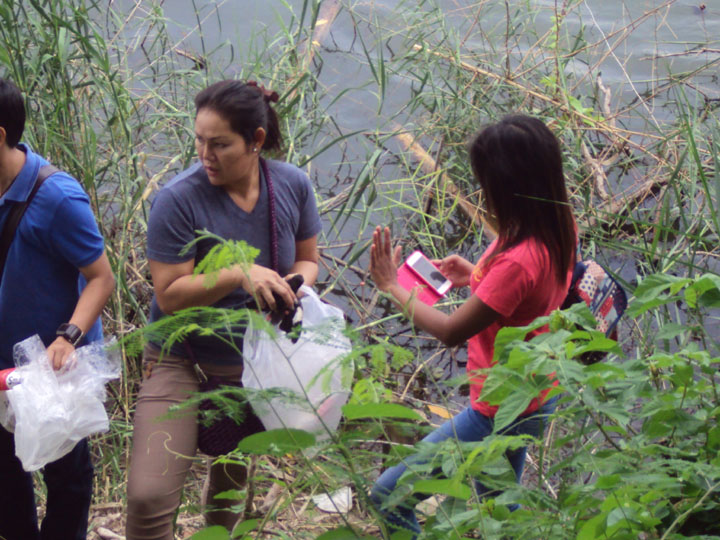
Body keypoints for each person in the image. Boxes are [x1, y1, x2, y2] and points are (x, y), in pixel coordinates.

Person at [125, 79, 322, 539]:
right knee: (148, 494)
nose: (205, 155)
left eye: (219, 144)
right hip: (182, 358)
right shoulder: (179, 199)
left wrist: (293, 285)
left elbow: (309, 261)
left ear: (255, 140)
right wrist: (238, 274)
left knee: (230, 489)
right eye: (199, 140)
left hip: (251, 362)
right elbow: (169, 294)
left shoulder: (291, 185)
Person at [368, 115, 576, 538]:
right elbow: (522, 296)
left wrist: (392, 286)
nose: (481, 192)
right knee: (501, 507)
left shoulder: (519, 260)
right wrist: (476, 275)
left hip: (498, 410)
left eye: (484, 182)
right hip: (536, 392)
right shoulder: (556, 225)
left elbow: (450, 331)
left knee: (387, 496)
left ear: (506, 188)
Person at [0, 78, 116, 540]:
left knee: (67, 474)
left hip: (53, 369)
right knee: (6, 471)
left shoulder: (56, 197)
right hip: (4, 367)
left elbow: (102, 277)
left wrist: (68, 335)